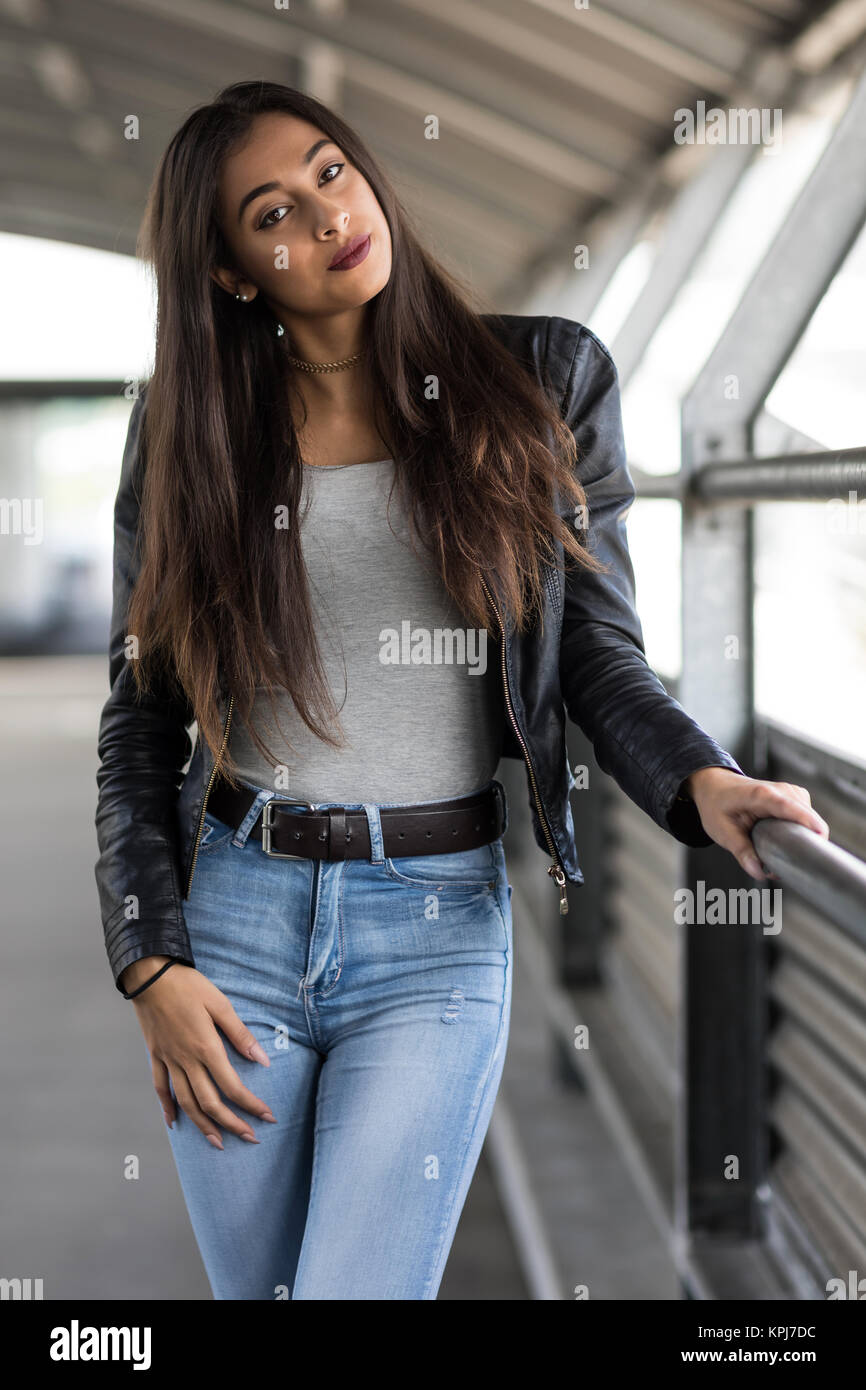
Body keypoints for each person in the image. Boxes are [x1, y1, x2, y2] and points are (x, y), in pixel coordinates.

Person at [93, 80, 830, 1301]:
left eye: (330, 172)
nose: (329, 218)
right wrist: (149, 961)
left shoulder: (539, 378)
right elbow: (139, 713)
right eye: (274, 212)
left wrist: (699, 779)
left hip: (428, 934)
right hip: (232, 928)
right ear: (231, 273)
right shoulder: (188, 431)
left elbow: (594, 648)